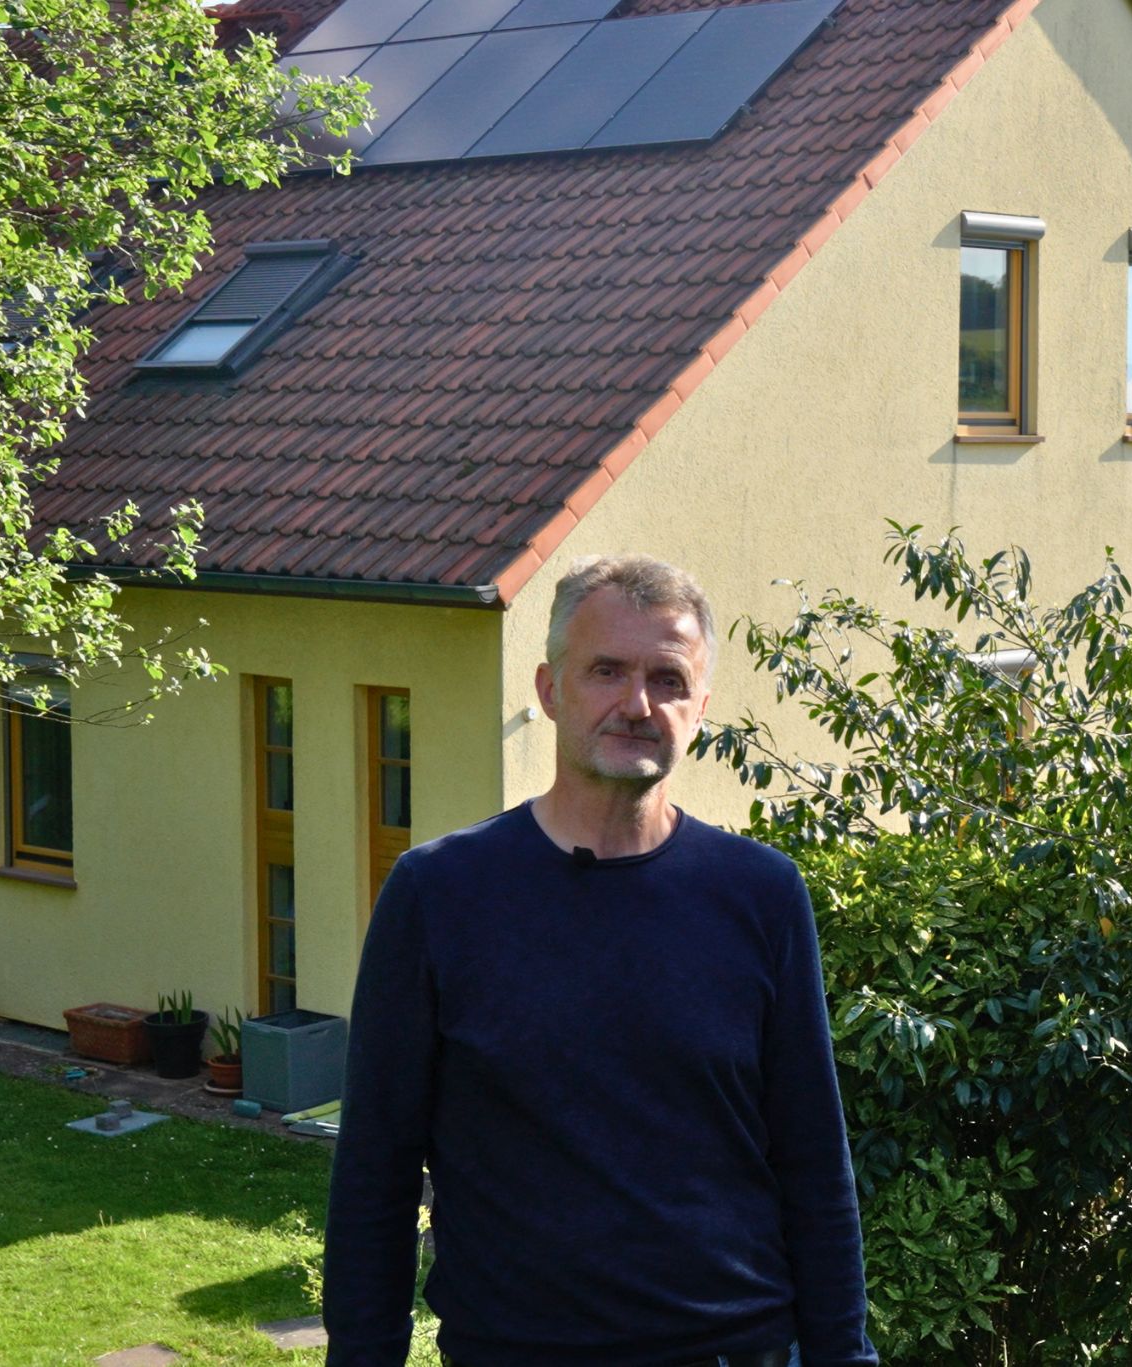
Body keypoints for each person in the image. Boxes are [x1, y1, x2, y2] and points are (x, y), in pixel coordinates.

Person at [323, 554, 877, 1367]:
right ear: (550, 689)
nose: (637, 703)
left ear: (701, 707)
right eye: (606, 671)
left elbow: (815, 1166)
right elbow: (377, 1169)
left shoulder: (761, 896)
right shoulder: (439, 896)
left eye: (668, 678)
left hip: (736, 1351)